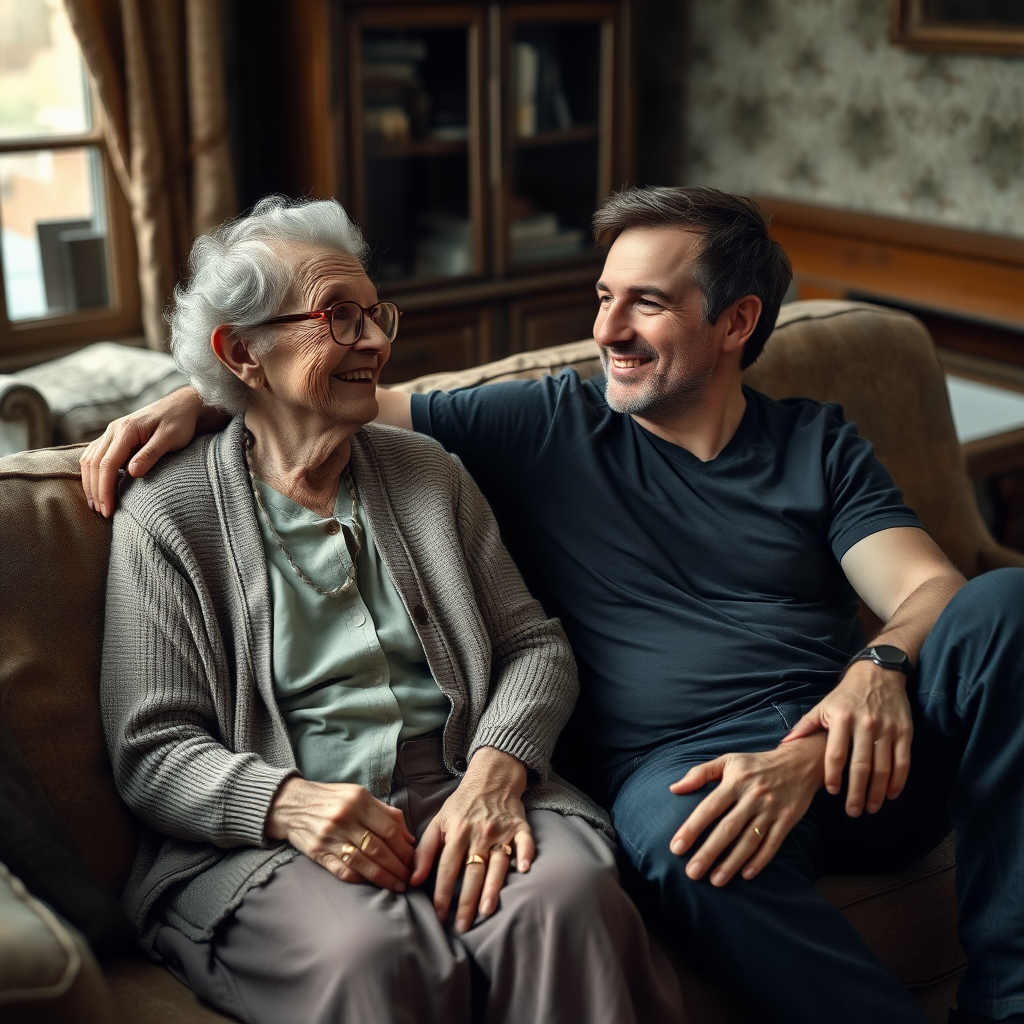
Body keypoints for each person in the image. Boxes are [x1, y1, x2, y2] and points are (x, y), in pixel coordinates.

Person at [83, 186, 1024, 1024]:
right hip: (688, 771)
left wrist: (878, 669)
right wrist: (192, 400)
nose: (606, 329)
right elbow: (322, 395)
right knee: (679, 836)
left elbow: (929, 591)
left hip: (851, 751)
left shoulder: (815, 444)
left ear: (736, 323)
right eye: (605, 297)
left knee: (1004, 606)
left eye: (646, 303)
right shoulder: (540, 422)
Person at [94, 196, 681, 1024]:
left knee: (570, 901)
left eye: (376, 314)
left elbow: (533, 647)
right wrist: (285, 802)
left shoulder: (426, 473)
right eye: (338, 317)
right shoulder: (168, 514)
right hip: (281, 827)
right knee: (375, 958)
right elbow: (151, 749)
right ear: (243, 353)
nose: (375, 341)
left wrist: (498, 767)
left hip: (461, 785)